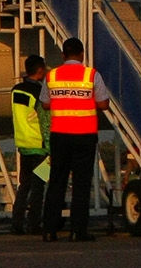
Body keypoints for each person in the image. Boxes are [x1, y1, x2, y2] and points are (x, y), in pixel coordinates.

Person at [42, 38, 101, 241]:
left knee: (57, 181)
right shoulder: (91, 74)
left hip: (59, 135)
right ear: (82, 54)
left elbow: (44, 104)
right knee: (81, 184)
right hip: (85, 136)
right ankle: (78, 231)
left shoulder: (52, 75)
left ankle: (49, 230)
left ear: (63, 55)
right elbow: (103, 103)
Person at [9, 55, 51, 236]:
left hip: (23, 145)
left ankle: (16, 223)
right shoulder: (40, 93)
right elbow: (45, 122)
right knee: (39, 186)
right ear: (40, 70)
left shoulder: (16, 90)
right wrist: (52, 147)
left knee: (24, 185)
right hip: (40, 147)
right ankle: (34, 223)